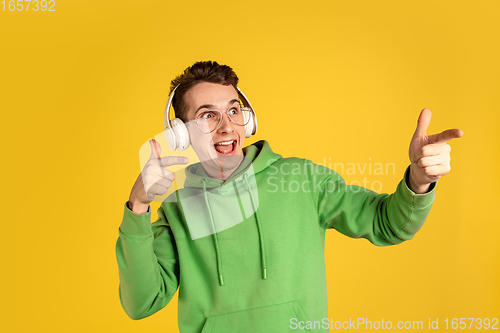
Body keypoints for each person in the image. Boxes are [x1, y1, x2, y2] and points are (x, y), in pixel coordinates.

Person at [116, 61, 463, 332]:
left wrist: (419, 181)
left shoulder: (302, 178)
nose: (226, 126)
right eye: (207, 115)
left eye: (234, 110)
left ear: (248, 119)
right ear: (180, 134)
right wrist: (139, 207)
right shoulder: (178, 211)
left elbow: (389, 225)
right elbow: (141, 303)